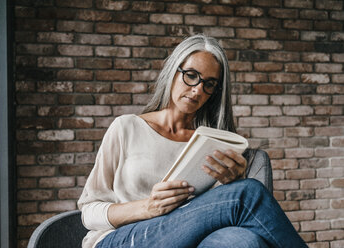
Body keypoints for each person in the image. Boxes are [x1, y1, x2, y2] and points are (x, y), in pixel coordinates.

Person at [78, 34, 307, 248]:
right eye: (191, 75)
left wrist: (230, 183)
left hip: (189, 239)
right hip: (124, 238)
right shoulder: (126, 127)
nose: (197, 90)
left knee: (243, 240)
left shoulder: (209, 145)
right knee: (247, 193)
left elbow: (210, 215)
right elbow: (89, 212)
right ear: (173, 72)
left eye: (208, 84)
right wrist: (148, 207)